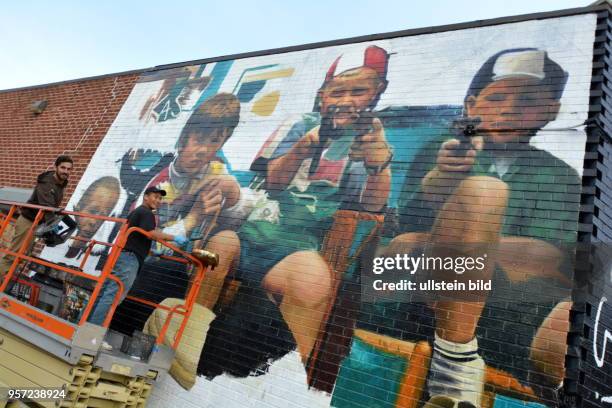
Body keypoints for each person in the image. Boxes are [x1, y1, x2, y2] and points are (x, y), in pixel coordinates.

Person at [385, 48, 578, 406]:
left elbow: (547, 257)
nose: (509, 109)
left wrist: (459, 240)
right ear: (472, 105)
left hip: (505, 303)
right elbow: (402, 236)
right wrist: (442, 180)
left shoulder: (562, 177)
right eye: (498, 97)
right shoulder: (442, 152)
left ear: (552, 110)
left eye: (529, 100)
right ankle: (454, 361)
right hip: (423, 292)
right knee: (483, 191)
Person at [196, 45, 393, 378]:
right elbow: (273, 182)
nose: (345, 100)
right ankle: (187, 336)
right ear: (322, 95)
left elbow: (372, 206)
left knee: (313, 280)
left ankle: (285, 380)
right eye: (337, 91)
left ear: (377, 93)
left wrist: (378, 164)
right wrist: (306, 145)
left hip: (293, 251)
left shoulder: (370, 139)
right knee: (220, 246)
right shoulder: (300, 124)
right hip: (249, 238)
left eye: (358, 91)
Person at [88, 186, 188, 328]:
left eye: (160, 198)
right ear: (145, 197)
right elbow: (151, 233)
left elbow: (136, 239)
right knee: (113, 296)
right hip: (129, 260)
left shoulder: (138, 212)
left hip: (123, 256)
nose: (158, 201)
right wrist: (175, 237)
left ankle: (87, 325)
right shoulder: (146, 213)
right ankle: (94, 332)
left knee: (105, 293)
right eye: (155, 196)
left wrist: (153, 252)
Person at [0, 155, 73, 280]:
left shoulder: (60, 184)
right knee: (13, 254)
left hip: (37, 223)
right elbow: (47, 206)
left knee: (22, 255)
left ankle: (4, 280)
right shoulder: (47, 183)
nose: (65, 171)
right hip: (28, 221)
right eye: (63, 168)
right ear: (56, 167)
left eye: (68, 169)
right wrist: (53, 226)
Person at [65, 176, 121, 260]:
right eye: (93, 211)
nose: (94, 222)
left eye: (103, 216)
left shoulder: (94, 252)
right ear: (79, 207)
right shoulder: (60, 237)